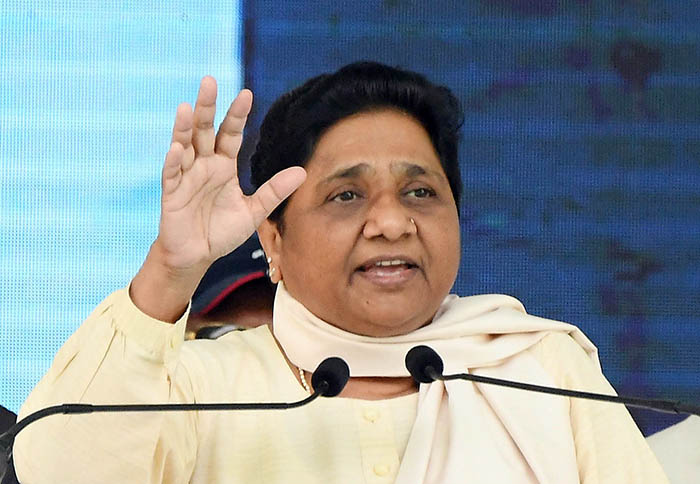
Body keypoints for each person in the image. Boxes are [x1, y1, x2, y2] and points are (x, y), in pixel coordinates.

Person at [12, 62, 667, 483]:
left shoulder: (540, 369)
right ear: (273, 239)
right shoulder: (203, 385)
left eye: (420, 192)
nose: (393, 222)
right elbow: (55, 470)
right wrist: (170, 269)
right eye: (347, 195)